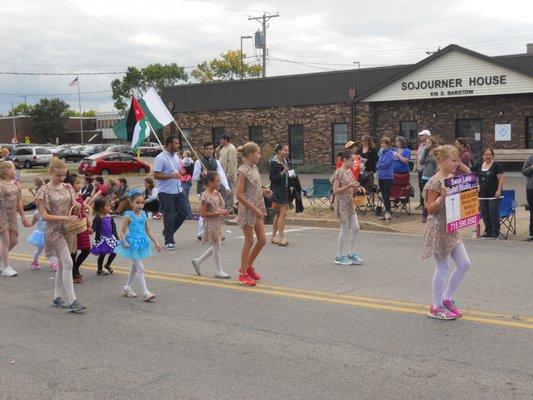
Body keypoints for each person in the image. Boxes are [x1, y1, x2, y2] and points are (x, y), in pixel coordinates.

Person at [422, 145, 472, 320]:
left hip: (451, 227)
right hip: (438, 228)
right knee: (442, 267)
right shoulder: (434, 182)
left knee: (465, 263)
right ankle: (435, 306)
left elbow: (469, 179)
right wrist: (441, 197)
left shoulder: (452, 178)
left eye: (457, 160)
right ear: (442, 161)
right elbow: (430, 209)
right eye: (453, 160)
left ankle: (447, 298)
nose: (456, 164)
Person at [35, 158, 86, 313]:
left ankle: (57, 297)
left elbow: (73, 209)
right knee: (69, 263)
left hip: (68, 229)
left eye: (64, 175)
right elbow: (44, 216)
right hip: (53, 231)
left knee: (63, 265)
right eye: (58, 175)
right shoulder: (43, 191)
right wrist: (65, 217)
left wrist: (77, 207)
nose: (62, 178)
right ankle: (72, 300)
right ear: (51, 173)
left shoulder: (68, 187)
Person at [235, 142, 273, 287]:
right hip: (247, 210)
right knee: (249, 241)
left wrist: (264, 191)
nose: (259, 155)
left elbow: (254, 187)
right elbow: (238, 195)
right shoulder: (243, 171)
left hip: (257, 207)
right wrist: (254, 209)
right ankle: (243, 275)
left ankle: (248, 267)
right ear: (250, 155)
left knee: (262, 240)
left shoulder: (254, 167)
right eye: (257, 153)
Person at [116, 193, 161, 301]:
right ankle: (145, 292)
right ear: (132, 203)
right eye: (137, 203)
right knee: (140, 268)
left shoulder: (144, 215)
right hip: (131, 244)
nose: (140, 205)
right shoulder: (128, 216)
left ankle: (127, 288)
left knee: (134, 268)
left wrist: (156, 242)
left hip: (141, 243)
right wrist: (125, 241)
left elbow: (148, 230)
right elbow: (122, 232)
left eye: (142, 203)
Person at [191, 171, 230, 279]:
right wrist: (219, 212)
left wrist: (223, 211)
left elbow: (218, 207)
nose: (219, 182)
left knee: (217, 245)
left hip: (217, 222)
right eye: (217, 181)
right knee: (217, 246)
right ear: (210, 182)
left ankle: (198, 261)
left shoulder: (216, 192)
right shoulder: (205, 196)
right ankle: (218, 270)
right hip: (210, 224)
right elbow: (203, 214)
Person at [153, 134, 189, 250]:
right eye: (176, 143)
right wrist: (172, 175)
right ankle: (169, 240)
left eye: (178, 143)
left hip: (178, 189)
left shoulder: (176, 156)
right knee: (168, 216)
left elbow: (177, 171)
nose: (178, 145)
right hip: (166, 191)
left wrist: (180, 172)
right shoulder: (160, 158)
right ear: (169, 144)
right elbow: (156, 175)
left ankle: (168, 231)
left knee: (184, 212)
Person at [330, 150, 365, 266]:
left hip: (350, 203)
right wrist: (349, 186)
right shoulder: (339, 173)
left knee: (356, 227)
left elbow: (354, 184)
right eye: (351, 160)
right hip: (341, 204)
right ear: (344, 160)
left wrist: (359, 188)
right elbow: (335, 191)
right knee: (344, 229)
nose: (353, 162)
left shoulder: (349, 172)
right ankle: (339, 256)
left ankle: (351, 252)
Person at [193, 142, 230, 240]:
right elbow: (194, 177)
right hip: (202, 190)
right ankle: (201, 233)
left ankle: (216, 232)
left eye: (211, 148)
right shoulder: (198, 162)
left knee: (215, 211)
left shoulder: (216, 162)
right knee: (204, 212)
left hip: (214, 191)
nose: (209, 150)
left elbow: (221, 175)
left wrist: (226, 187)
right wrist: (201, 175)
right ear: (204, 150)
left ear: (213, 150)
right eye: (207, 149)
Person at [0, 161, 30, 277]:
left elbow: (19, 201)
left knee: (14, 240)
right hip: (2, 215)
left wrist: (23, 217)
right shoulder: (1, 185)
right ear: (6, 171)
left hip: (12, 216)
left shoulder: (14, 184)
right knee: (5, 241)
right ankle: (6, 267)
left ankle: (2, 261)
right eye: (13, 169)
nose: (15, 171)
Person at [472, 147, 504, 239]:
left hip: (494, 194)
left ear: (492, 156)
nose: (488, 156)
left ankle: (495, 233)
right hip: (482, 194)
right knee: (485, 213)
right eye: (486, 154)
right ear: (483, 156)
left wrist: (499, 190)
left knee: (493, 213)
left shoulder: (496, 166)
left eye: (490, 154)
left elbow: (501, 178)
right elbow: (468, 171)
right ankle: (488, 232)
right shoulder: (479, 166)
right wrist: (460, 164)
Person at [67, 174, 92, 284]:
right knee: (73, 251)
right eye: (77, 183)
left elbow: (83, 210)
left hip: (82, 225)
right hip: (73, 226)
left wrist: (89, 222)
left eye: (80, 183)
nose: (79, 185)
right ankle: (73, 272)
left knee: (86, 249)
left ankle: (75, 267)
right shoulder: (68, 197)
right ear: (70, 185)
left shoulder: (79, 196)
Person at [269, 144, 292, 246]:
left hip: (286, 189)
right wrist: (282, 173)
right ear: (279, 151)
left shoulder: (287, 161)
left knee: (279, 215)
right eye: (285, 150)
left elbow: (291, 173)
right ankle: (282, 237)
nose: (287, 152)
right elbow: (272, 179)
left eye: (288, 150)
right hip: (277, 190)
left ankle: (273, 236)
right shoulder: (273, 162)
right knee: (283, 213)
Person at [91, 197, 119, 275]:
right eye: (107, 206)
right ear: (100, 208)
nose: (109, 207)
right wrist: (91, 230)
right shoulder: (98, 218)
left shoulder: (109, 216)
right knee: (102, 255)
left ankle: (107, 265)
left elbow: (113, 228)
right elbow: (94, 227)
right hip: (102, 239)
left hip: (110, 238)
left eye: (109, 206)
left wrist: (116, 237)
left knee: (114, 252)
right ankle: (99, 269)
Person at [420, 137, 441, 223]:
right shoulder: (425, 151)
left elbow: (439, 163)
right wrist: (425, 155)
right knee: (425, 195)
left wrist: (433, 160)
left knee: (434, 196)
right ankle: (424, 215)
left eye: (428, 143)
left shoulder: (437, 151)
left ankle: (432, 213)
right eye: (426, 143)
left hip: (434, 176)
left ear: (432, 143)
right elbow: (421, 162)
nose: (427, 144)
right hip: (425, 175)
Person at [217, 134, 238, 212]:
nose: (220, 141)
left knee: (229, 192)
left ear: (225, 140)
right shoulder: (223, 148)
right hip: (222, 174)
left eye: (221, 140)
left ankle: (230, 208)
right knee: (223, 192)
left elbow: (231, 162)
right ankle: (225, 207)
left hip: (228, 175)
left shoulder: (231, 148)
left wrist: (230, 174)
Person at [376, 137, 394, 223]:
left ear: (387, 144)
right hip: (381, 176)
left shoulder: (390, 153)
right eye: (381, 143)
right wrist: (379, 164)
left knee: (387, 195)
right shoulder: (382, 153)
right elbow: (378, 162)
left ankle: (388, 213)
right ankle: (387, 212)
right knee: (383, 195)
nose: (381, 145)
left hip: (388, 177)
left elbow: (385, 164)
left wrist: (379, 165)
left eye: (383, 143)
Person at [415, 130, 431, 210]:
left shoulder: (428, 146)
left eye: (422, 135)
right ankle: (421, 203)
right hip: (419, 169)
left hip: (426, 170)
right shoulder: (420, 145)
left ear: (427, 136)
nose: (420, 137)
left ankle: (425, 204)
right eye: (420, 135)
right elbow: (418, 157)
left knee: (425, 187)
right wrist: (415, 165)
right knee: (420, 186)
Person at [179, 150, 194, 219]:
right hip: (185, 181)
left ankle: (189, 214)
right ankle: (186, 213)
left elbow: (182, 165)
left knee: (185, 199)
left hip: (185, 181)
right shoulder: (190, 161)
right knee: (184, 198)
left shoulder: (186, 161)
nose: (183, 154)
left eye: (184, 153)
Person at [522, 154, 533, 241]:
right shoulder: (530, 158)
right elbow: (524, 172)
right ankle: (532, 233)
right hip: (531, 189)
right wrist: (531, 167)